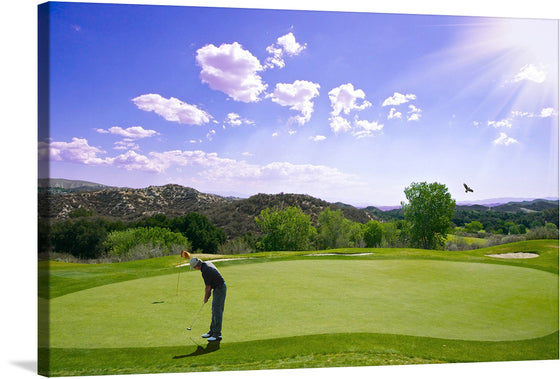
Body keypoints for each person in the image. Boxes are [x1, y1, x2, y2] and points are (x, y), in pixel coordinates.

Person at [189, 257, 227, 342]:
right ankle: (212, 332)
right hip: (217, 288)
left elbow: (208, 287)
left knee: (217, 311)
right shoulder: (205, 264)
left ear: (197, 266)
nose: (195, 269)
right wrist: (208, 294)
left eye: (194, 268)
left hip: (220, 288)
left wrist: (206, 297)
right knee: (214, 310)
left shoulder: (205, 271)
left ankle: (217, 335)